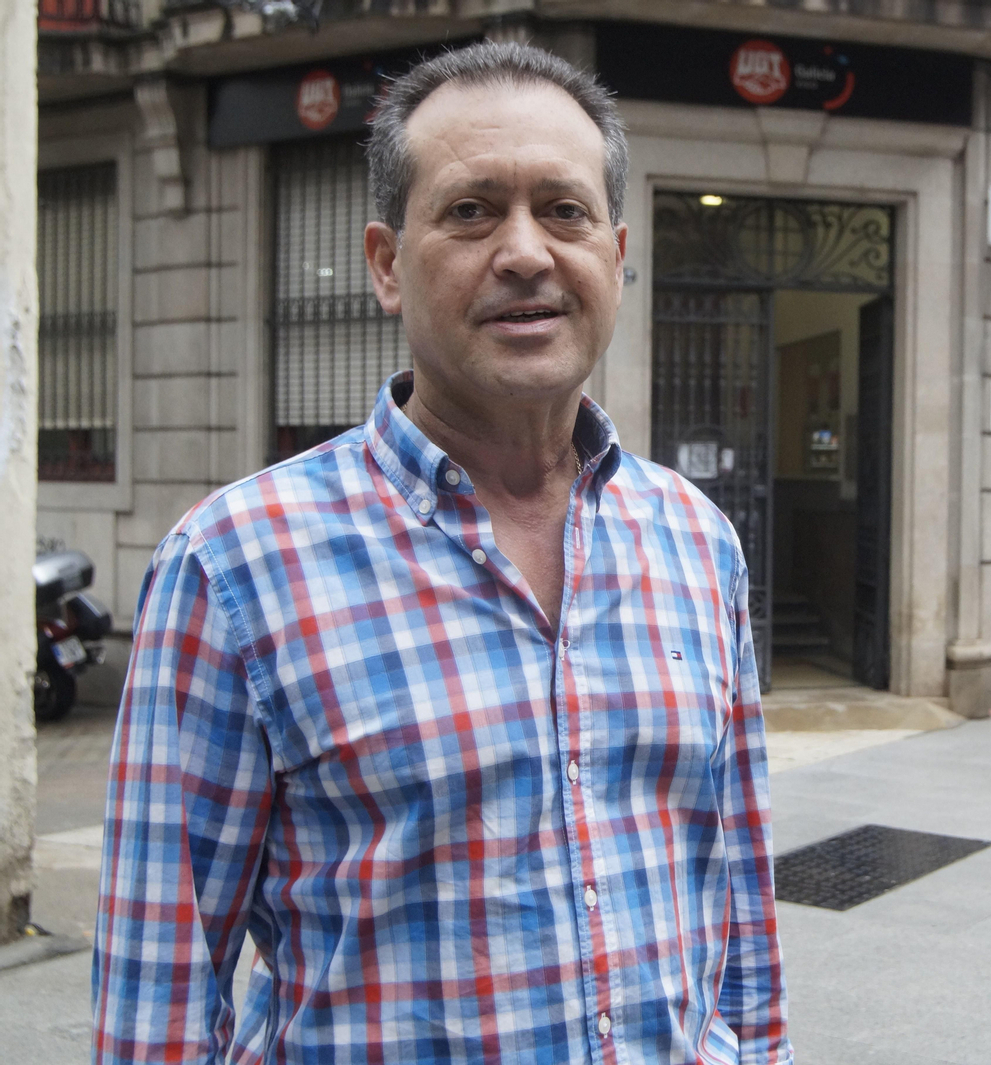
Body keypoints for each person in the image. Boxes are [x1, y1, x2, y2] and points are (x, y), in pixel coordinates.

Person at [93, 43, 790, 1065]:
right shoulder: (234, 565)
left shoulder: (697, 541)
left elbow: (733, 882)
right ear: (385, 262)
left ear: (616, 252)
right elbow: (159, 983)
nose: (524, 253)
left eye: (564, 210)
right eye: (470, 211)